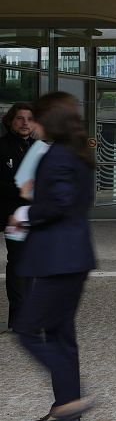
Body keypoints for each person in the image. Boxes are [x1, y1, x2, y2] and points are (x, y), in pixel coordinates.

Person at [10, 92, 97, 421]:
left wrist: (26, 213)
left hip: (56, 258)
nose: (31, 125)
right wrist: (36, 194)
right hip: (72, 256)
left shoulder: (57, 156)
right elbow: (71, 199)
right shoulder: (78, 154)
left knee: (28, 330)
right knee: (60, 334)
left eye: (36, 119)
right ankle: (65, 408)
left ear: (50, 122)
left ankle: (73, 399)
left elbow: (59, 204)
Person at [0, 102, 35, 333]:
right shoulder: (1, 147)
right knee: (18, 263)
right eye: (19, 118)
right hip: (12, 214)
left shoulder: (38, 147)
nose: (24, 123)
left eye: (28, 119)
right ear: (10, 121)